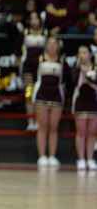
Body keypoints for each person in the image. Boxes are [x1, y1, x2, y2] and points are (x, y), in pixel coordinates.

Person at [33, 36, 68, 168]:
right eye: (50, 43)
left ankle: (52, 156)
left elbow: (67, 79)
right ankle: (42, 156)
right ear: (46, 45)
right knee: (42, 127)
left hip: (56, 96)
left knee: (54, 127)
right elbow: (31, 75)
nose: (52, 46)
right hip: (41, 95)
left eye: (55, 43)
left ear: (58, 46)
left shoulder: (62, 61)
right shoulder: (39, 59)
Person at [71, 46, 97, 171]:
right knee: (81, 132)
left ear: (90, 55)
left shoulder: (95, 67)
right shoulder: (76, 68)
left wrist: (89, 76)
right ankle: (81, 159)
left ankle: (90, 159)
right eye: (80, 53)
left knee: (92, 132)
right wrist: (80, 70)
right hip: (80, 101)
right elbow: (72, 82)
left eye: (84, 52)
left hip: (94, 101)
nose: (82, 55)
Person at [20, 11, 47, 131]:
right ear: (29, 21)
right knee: (29, 93)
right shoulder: (25, 33)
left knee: (39, 94)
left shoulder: (46, 33)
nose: (34, 21)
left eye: (36, 18)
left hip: (41, 67)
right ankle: (30, 121)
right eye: (32, 18)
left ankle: (39, 121)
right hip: (28, 67)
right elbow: (18, 50)